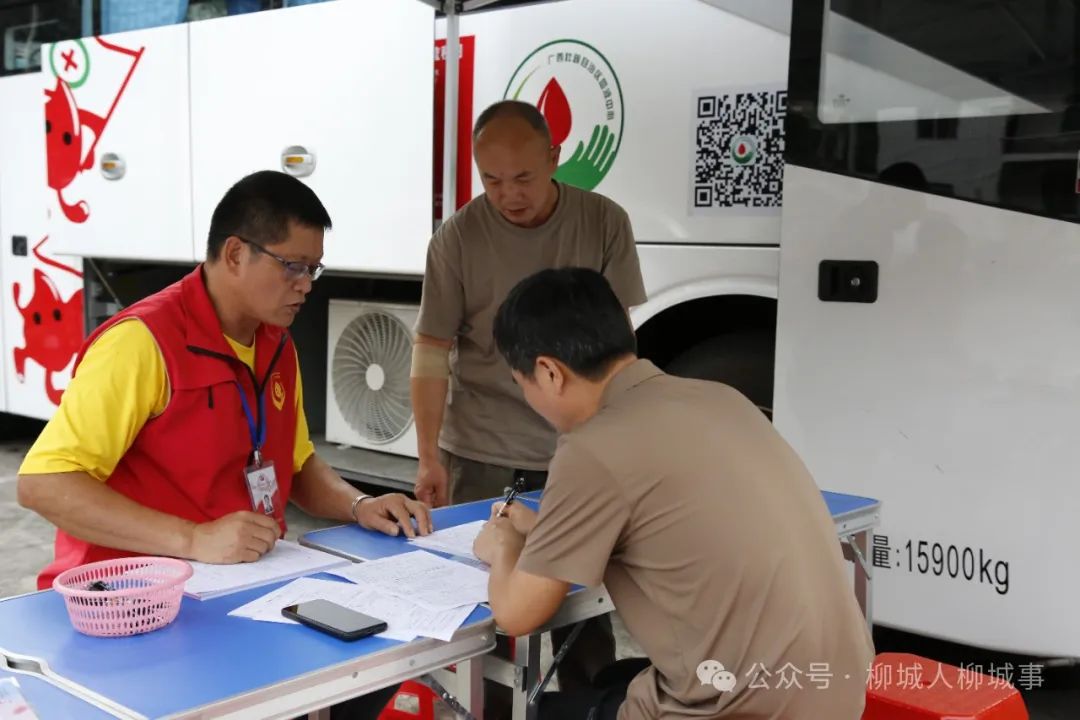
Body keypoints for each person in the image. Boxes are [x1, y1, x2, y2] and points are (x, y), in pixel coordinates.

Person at [16, 170, 430, 719]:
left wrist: (359, 504)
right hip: (130, 608)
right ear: (235, 254)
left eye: (314, 269)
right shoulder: (142, 343)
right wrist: (193, 538)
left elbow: (297, 464)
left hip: (241, 589)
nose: (306, 285)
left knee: (374, 663)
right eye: (293, 266)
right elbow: (43, 483)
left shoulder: (276, 345)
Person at [473, 267, 876, 720]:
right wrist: (543, 529)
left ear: (549, 372)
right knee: (611, 679)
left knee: (528, 711)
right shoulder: (722, 398)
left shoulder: (592, 447)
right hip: (837, 689)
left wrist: (503, 548)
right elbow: (667, 525)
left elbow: (517, 614)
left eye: (522, 383)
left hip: (745, 709)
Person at [410, 99, 645, 703]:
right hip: (482, 451)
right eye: (491, 180)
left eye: (523, 178)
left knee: (584, 617)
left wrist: (618, 443)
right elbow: (432, 349)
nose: (508, 195)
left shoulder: (603, 222)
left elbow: (618, 343)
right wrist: (429, 455)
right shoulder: (457, 238)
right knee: (478, 620)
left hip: (577, 453)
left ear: (555, 158)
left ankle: (588, 709)